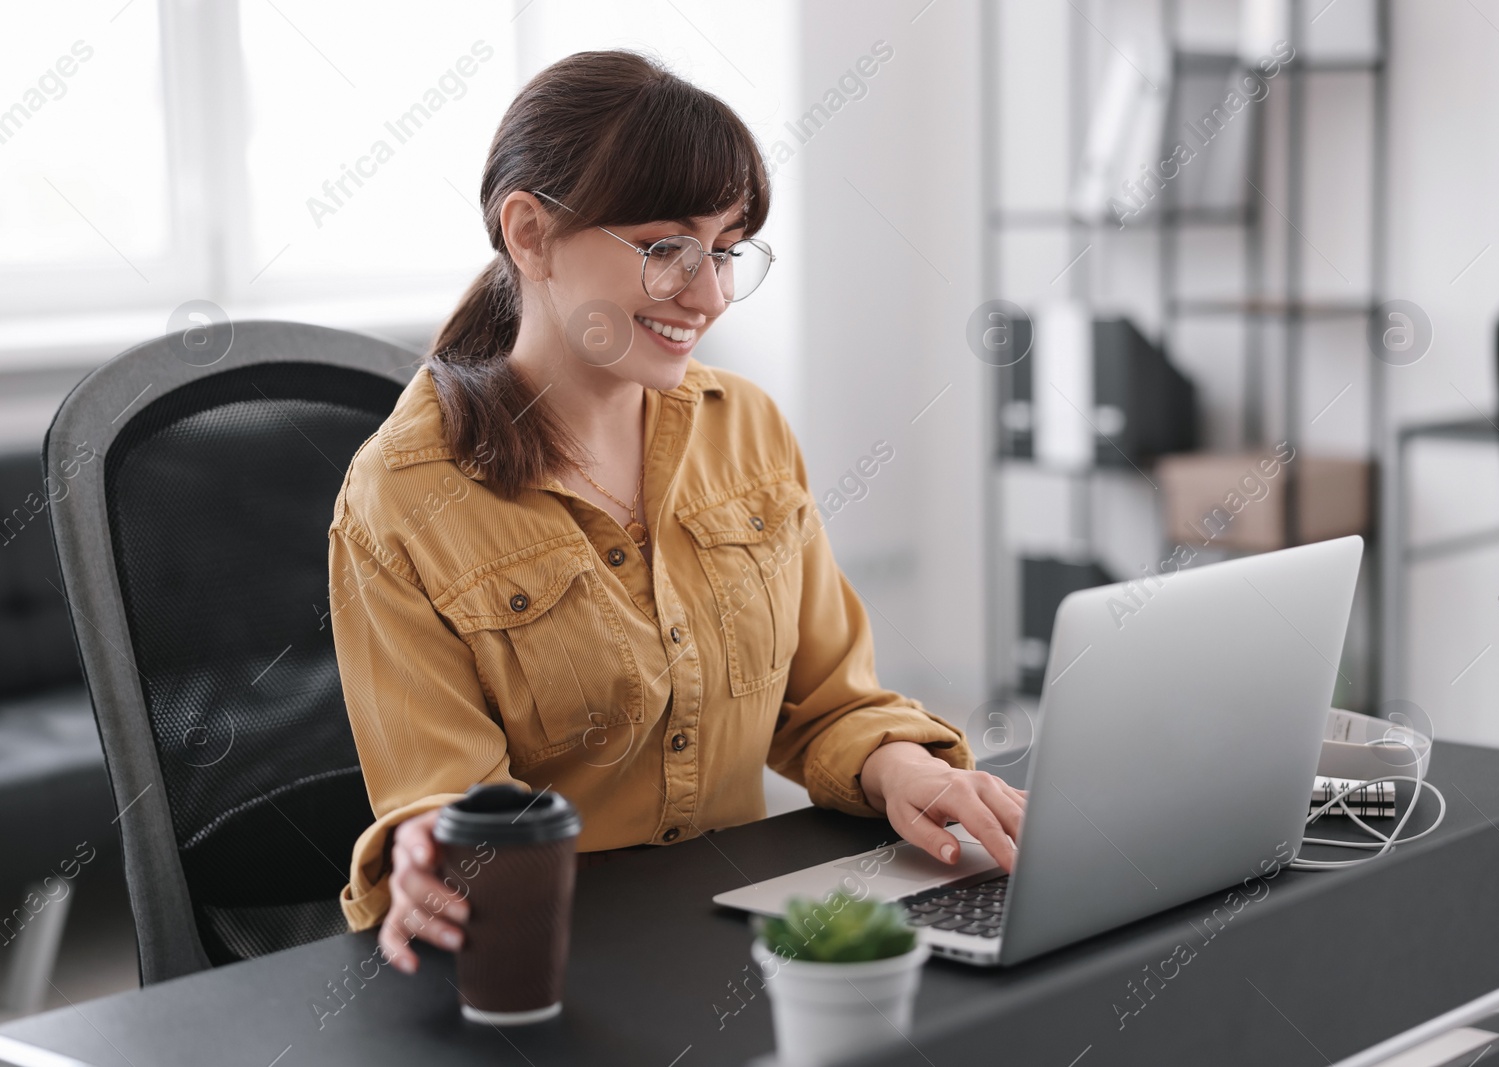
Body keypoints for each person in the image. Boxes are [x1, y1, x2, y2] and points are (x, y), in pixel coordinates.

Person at [328, 49, 1027, 974]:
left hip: (727, 942)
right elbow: (447, 808)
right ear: (529, 233)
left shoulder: (748, 432)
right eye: (666, 250)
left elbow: (824, 701)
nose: (710, 295)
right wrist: (436, 849)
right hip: (545, 960)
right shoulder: (402, 496)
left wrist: (907, 767)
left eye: (727, 249)